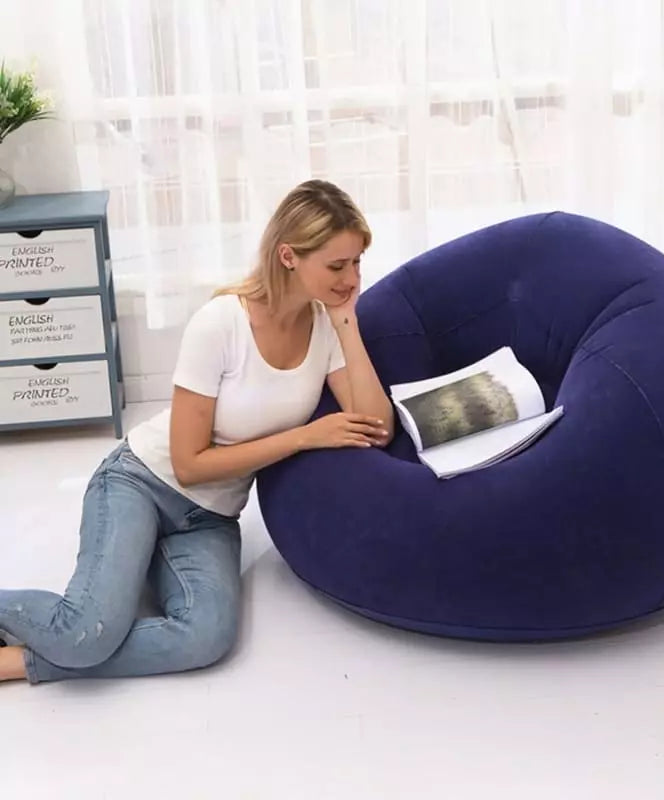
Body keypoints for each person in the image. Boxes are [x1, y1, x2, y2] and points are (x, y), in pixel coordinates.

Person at [0, 180, 393, 685]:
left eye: (357, 262)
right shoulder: (221, 323)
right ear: (289, 256)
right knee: (86, 632)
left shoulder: (325, 326)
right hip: (140, 483)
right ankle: (64, 639)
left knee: (206, 637)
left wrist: (346, 321)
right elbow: (188, 465)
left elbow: (377, 428)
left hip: (210, 516)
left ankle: (21, 661)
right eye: (337, 266)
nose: (352, 278)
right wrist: (303, 437)